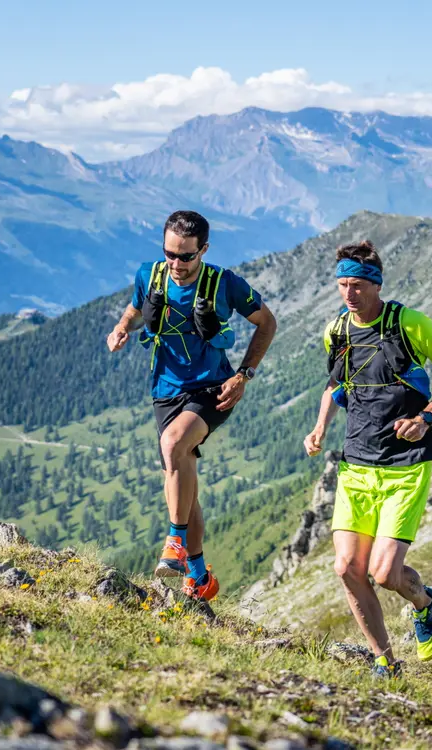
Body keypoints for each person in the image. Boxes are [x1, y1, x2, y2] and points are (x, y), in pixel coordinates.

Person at [303, 240, 432, 676]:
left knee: (383, 573)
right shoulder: (336, 332)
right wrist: (320, 425)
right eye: (341, 285)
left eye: (356, 285)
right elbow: (336, 385)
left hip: (404, 467)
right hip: (356, 465)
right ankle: (385, 662)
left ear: (376, 285)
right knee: (346, 568)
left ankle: (426, 602)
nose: (348, 294)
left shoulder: (410, 325)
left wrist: (426, 418)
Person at [107, 210, 277, 601]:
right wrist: (120, 330)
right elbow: (135, 310)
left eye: (186, 256)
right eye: (170, 253)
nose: (177, 264)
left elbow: (267, 323)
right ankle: (199, 577)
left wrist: (243, 376)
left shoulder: (224, 283)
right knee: (182, 482)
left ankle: (175, 543)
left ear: (204, 249)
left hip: (214, 389)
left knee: (173, 446)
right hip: (165, 391)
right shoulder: (149, 275)